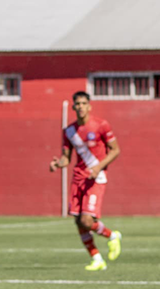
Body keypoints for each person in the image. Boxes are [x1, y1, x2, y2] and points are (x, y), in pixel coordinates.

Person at [49, 91, 122, 271]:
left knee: (87, 220)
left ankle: (112, 236)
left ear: (89, 106)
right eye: (78, 104)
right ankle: (96, 258)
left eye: (83, 103)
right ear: (73, 107)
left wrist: (98, 167)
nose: (80, 107)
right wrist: (58, 163)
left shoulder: (101, 125)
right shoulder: (69, 131)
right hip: (78, 178)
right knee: (78, 221)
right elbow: (66, 158)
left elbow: (115, 150)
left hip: (96, 178)